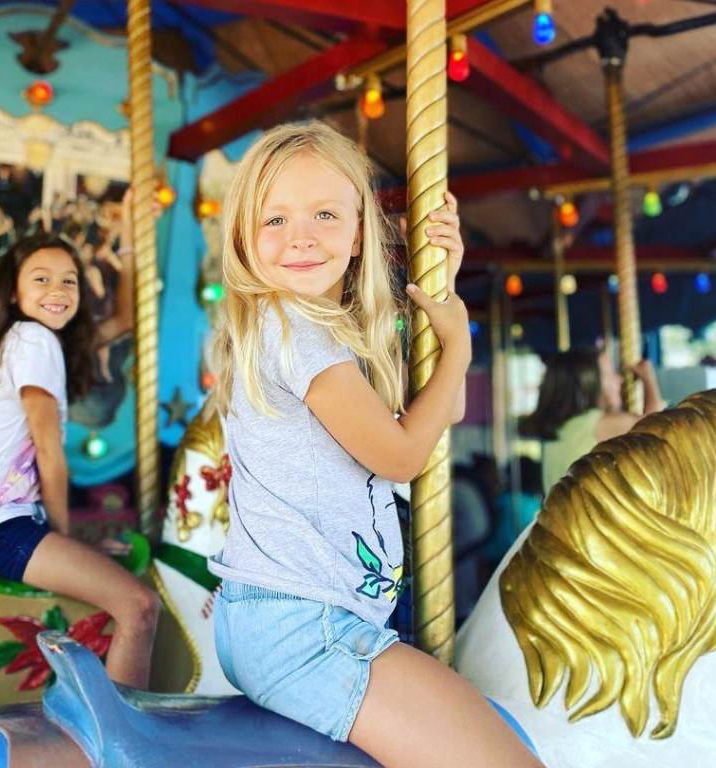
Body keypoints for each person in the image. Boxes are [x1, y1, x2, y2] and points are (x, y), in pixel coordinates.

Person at [207, 121, 540, 768]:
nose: (300, 236)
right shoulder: (295, 330)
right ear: (244, 237)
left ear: (359, 232)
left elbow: (406, 396)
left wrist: (441, 275)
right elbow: (403, 455)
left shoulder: (307, 329)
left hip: (303, 618)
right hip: (308, 627)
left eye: (325, 214)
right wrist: (460, 346)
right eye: (274, 220)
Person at [0, 232, 159, 688]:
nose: (58, 291)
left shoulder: (19, 339)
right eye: (42, 279)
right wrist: (63, 538)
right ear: (14, 292)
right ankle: (117, 744)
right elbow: (49, 453)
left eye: (69, 281)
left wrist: (131, 243)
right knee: (139, 606)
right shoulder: (34, 340)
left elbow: (123, 320)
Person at [519, 346, 664, 493]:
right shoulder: (593, 424)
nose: (619, 380)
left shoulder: (562, 428)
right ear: (591, 382)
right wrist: (648, 379)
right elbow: (655, 428)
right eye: (610, 374)